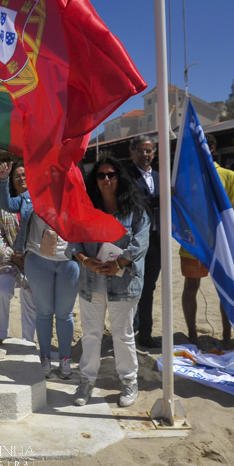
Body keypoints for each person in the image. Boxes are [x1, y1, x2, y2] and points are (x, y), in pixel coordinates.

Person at [67, 156, 149, 407]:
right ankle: (86, 381)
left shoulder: (135, 210)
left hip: (123, 284)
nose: (106, 179)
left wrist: (120, 263)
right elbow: (73, 239)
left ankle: (129, 382)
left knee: (123, 336)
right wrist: (84, 260)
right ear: (95, 180)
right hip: (91, 283)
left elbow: (141, 242)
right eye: (101, 175)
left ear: (119, 178)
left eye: (111, 174)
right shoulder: (86, 210)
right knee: (91, 335)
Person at [0, 161, 77, 378]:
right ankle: (44, 358)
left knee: (65, 314)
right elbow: (6, 204)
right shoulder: (28, 197)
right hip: (38, 261)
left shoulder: (71, 194)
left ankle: (65, 359)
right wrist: (3, 180)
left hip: (68, 261)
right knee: (44, 313)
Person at [180, 133, 234, 350]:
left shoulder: (228, 175)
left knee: (226, 290)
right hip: (192, 243)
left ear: (213, 148)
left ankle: (226, 336)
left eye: (203, 146)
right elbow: (178, 207)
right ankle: (192, 334)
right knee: (191, 287)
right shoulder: (184, 176)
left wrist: (227, 236)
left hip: (221, 244)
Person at [0, 161, 37, 348]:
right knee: (2, 290)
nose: (21, 178)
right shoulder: (2, 205)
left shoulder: (36, 203)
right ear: (11, 180)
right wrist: (11, 255)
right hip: (8, 259)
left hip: (33, 259)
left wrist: (30, 256)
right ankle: (0, 334)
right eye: (17, 175)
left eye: (24, 175)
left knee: (31, 299)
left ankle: (28, 341)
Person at [125, 137, 161, 348]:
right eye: (140, 150)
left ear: (154, 153)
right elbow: (130, 202)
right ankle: (129, 330)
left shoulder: (160, 176)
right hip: (135, 241)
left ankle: (145, 334)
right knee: (131, 287)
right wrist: (157, 200)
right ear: (132, 153)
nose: (144, 155)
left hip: (157, 241)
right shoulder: (125, 177)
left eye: (148, 151)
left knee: (149, 288)